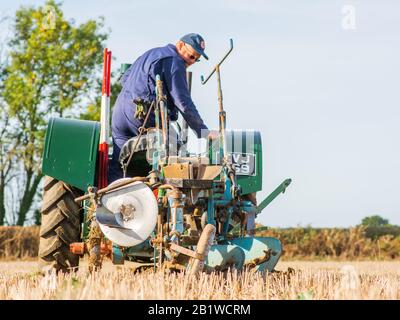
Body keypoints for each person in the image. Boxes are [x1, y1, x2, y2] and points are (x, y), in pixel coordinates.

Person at [109, 33, 217, 183]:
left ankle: (112, 201)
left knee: (119, 165)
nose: (191, 61)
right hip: (142, 116)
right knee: (170, 151)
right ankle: (170, 199)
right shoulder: (175, 61)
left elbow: (125, 78)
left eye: (196, 59)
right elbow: (183, 102)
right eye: (191, 56)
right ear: (180, 45)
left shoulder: (151, 53)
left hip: (120, 113)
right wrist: (203, 131)